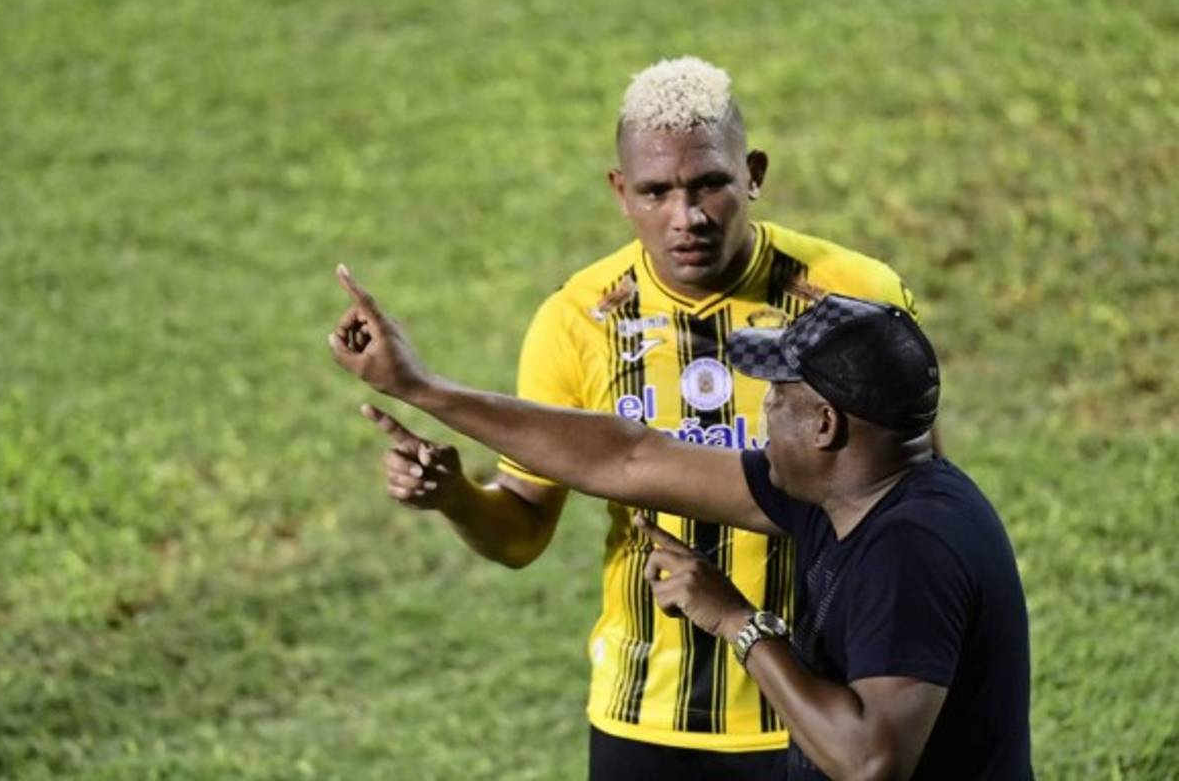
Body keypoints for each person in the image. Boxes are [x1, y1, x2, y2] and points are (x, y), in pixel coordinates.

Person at [355, 56, 925, 779]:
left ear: (752, 172)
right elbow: (525, 530)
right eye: (656, 192)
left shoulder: (853, 298)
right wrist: (456, 499)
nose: (685, 217)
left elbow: (914, 505)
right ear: (621, 193)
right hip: (646, 722)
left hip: (821, 711)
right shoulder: (577, 322)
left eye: (709, 184)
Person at [328, 276, 1033, 780]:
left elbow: (868, 758)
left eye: (780, 398)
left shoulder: (910, 549)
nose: (762, 414)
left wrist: (736, 621)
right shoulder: (846, 491)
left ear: (825, 424)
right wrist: (422, 388)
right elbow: (629, 455)